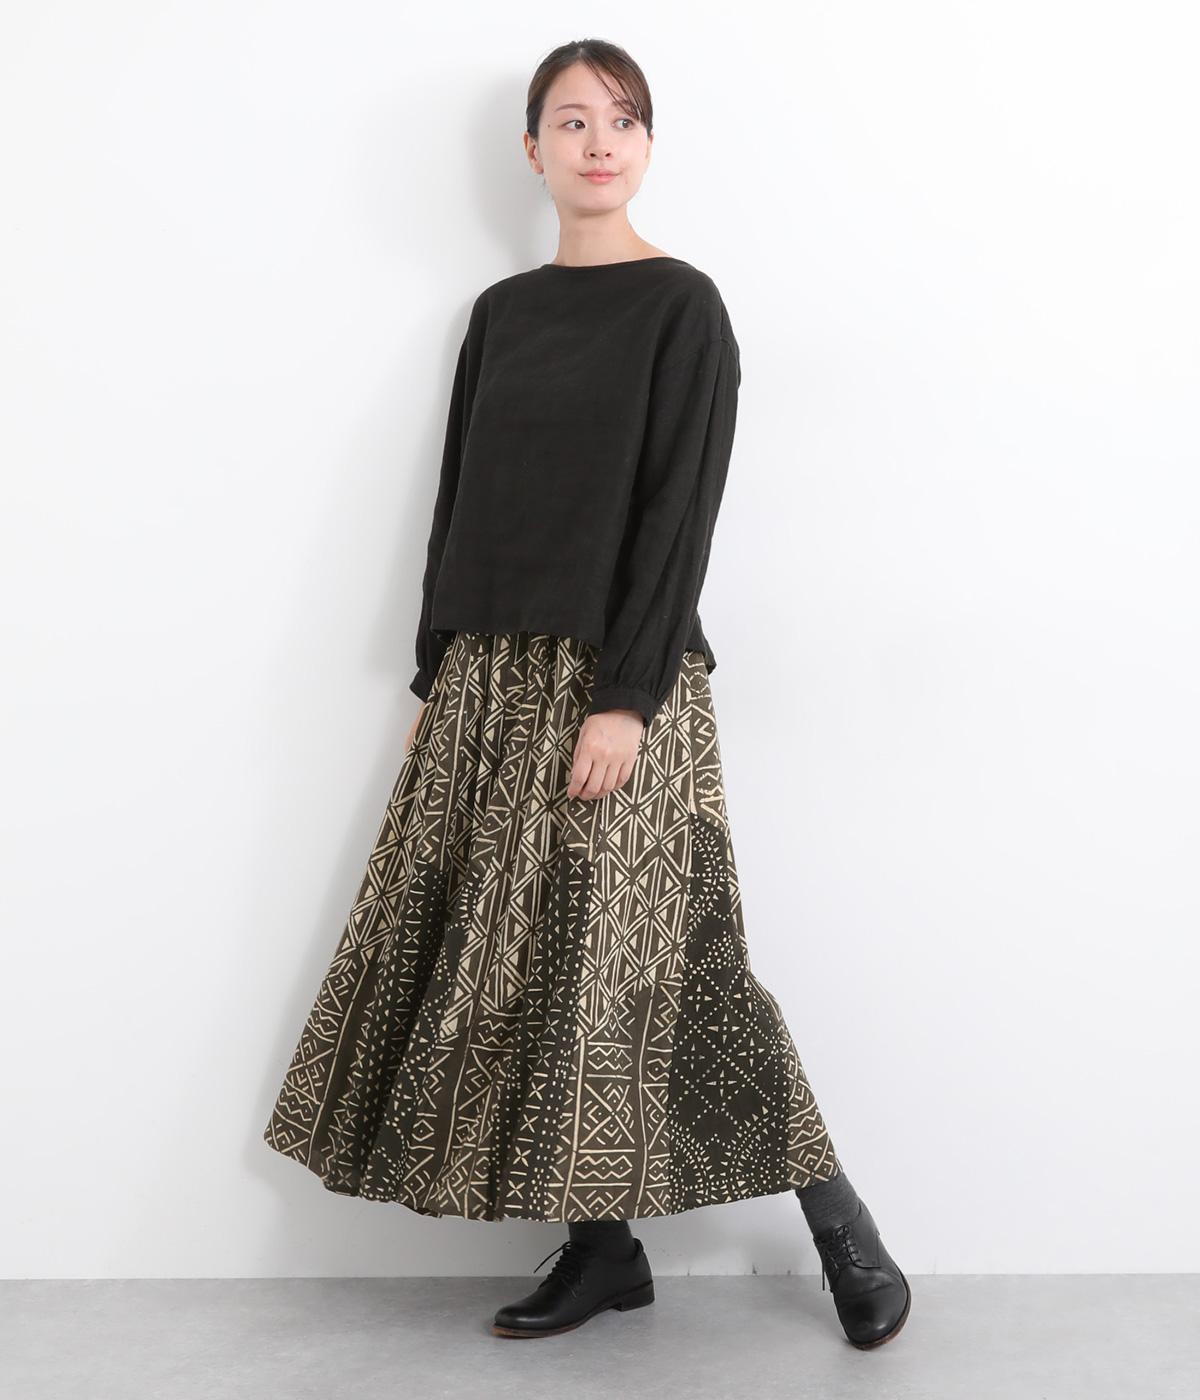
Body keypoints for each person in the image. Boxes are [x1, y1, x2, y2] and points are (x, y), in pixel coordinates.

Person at [261, 38, 910, 1350]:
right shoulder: (501, 315)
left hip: (625, 675)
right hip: (492, 675)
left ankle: (843, 1227)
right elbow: (462, 500)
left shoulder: (683, 306)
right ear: (533, 150)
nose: (598, 141)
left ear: (649, 145)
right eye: (571, 121)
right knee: (527, 964)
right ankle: (606, 1252)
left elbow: (680, 515)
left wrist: (624, 698)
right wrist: (439, 670)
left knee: (668, 964)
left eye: (622, 119)